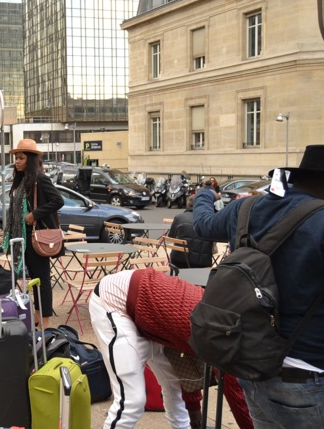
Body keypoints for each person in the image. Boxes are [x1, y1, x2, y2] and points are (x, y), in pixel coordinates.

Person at [193, 144, 324, 428]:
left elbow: (203, 225)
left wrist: (204, 193)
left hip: (251, 367)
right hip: (309, 378)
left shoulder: (245, 207)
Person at [89, 268, 253, 429]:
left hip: (151, 311)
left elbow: (188, 371)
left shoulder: (222, 319)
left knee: (174, 386)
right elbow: (237, 397)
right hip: (114, 300)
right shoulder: (221, 336)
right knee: (132, 401)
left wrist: (196, 421)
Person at [3, 139, 64, 329]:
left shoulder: (40, 179)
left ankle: (45, 322)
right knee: (35, 280)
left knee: (42, 279)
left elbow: (58, 200)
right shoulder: (21, 180)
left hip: (36, 236)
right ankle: (37, 316)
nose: (17, 161)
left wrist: (35, 214)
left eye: (21, 158)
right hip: (22, 238)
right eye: (16, 158)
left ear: (30, 159)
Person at [166, 194, 213, 268]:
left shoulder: (179, 217)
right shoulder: (209, 219)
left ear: (188, 203)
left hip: (178, 260)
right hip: (202, 263)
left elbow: (172, 236)